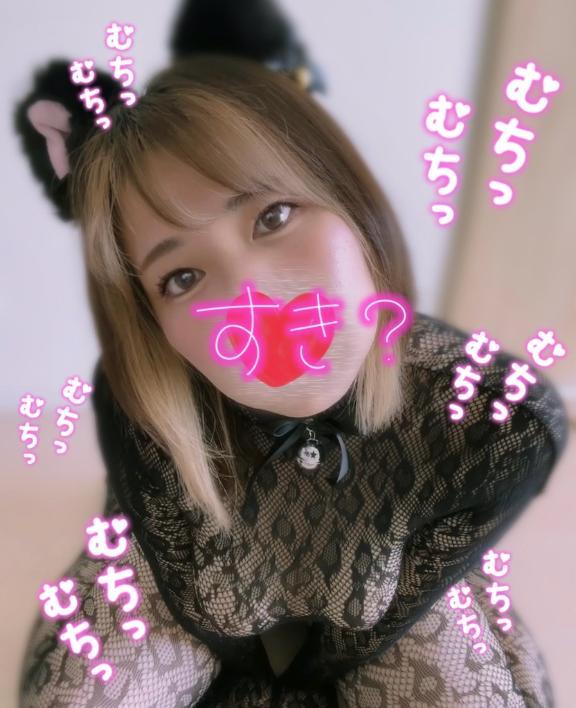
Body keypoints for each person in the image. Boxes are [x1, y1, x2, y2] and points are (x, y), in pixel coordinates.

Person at [14, 1, 569, 706]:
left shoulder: (497, 419)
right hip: (193, 582)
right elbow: (203, 612)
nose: (252, 299)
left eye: (273, 216)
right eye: (182, 277)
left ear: (350, 202)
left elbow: (382, 622)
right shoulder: (145, 408)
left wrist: (316, 669)